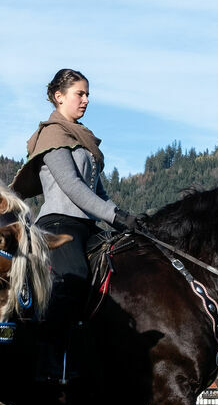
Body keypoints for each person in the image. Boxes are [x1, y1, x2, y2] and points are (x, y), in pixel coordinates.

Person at [9, 68, 140, 382]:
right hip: (58, 225)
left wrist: (124, 218)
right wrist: (114, 216)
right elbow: (73, 187)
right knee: (74, 279)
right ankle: (49, 361)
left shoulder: (83, 140)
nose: (86, 100)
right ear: (59, 97)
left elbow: (96, 190)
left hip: (89, 227)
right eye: (80, 94)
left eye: (87, 94)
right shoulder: (52, 136)